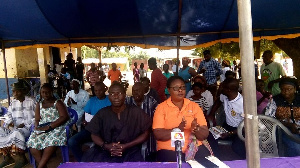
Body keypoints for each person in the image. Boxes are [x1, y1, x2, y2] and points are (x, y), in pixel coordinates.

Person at [82, 82, 152, 162]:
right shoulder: (102, 113)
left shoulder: (135, 112)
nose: (116, 97)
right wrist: (105, 146)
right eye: (112, 94)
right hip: (106, 151)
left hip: (130, 150)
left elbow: (146, 133)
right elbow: (94, 134)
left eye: (119, 93)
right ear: (108, 96)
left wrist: (126, 145)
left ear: (125, 95)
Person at [153, 76, 212, 165]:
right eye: (176, 88)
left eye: (183, 87)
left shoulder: (194, 106)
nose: (180, 90)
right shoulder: (161, 108)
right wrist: (177, 130)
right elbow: (158, 134)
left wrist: (197, 129)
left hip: (194, 148)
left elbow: (204, 134)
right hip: (169, 149)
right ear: (168, 90)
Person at [27, 83, 69, 168]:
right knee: (32, 143)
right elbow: (37, 119)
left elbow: (64, 117)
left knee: (50, 142)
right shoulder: (39, 104)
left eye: (48, 92)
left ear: (52, 92)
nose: (45, 94)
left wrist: (50, 126)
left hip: (57, 127)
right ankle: (44, 166)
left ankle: (40, 166)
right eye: (43, 92)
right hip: (43, 128)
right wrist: (37, 127)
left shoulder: (58, 103)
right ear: (40, 93)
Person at [68, 82, 111, 162]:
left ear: (105, 89)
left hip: (105, 130)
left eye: (100, 90)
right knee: (72, 141)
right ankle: (82, 162)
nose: (98, 92)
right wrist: (84, 121)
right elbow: (86, 114)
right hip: (91, 129)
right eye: (96, 90)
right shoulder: (92, 100)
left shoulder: (110, 100)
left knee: (101, 148)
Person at [0, 81, 36, 168]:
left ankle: (22, 159)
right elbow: (8, 115)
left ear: (23, 91)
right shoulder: (13, 103)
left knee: (17, 133)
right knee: (0, 131)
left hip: (28, 128)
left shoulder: (32, 101)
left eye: (17, 91)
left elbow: (38, 117)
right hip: (15, 127)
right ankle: (8, 157)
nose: (15, 93)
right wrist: (9, 122)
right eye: (14, 91)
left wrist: (24, 124)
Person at [208, 78, 246, 159]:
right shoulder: (224, 96)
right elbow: (218, 101)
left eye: (222, 87)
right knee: (210, 137)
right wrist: (211, 114)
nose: (220, 88)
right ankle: (217, 160)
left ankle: (245, 163)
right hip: (227, 126)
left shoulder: (242, 104)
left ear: (228, 90)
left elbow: (246, 126)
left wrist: (230, 133)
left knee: (237, 147)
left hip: (239, 130)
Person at [265, 77, 300, 156]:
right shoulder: (275, 100)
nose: (286, 92)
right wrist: (289, 125)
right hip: (283, 129)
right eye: (283, 89)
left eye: (289, 89)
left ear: (295, 89)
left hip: (298, 128)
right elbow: (268, 118)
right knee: (296, 147)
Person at [126, 82, 159, 161]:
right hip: (131, 136)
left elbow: (156, 120)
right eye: (134, 91)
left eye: (138, 90)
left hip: (149, 137)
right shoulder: (127, 101)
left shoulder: (152, 102)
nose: (135, 93)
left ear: (144, 91)